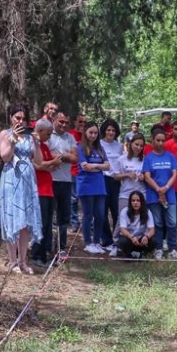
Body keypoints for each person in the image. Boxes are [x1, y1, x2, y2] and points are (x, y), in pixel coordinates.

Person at [0, 104, 43, 274]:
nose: (20, 121)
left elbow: (38, 160)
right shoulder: (5, 134)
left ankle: (23, 261)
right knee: (12, 217)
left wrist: (37, 143)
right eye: (17, 118)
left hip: (28, 178)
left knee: (25, 220)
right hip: (11, 176)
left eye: (23, 118)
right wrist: (13, 140)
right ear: (11, 117)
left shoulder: (30, 136)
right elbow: (5, 157)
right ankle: (12, 260)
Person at [142, 130, 177, 259]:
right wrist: (159, 190)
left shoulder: (171, 156)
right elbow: (147, 177)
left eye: (163, 140)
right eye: (158, 140)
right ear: (152, 140)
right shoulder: (148, 158)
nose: (160, 143)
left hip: (170, 196)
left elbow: (174, 174)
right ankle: (158, 248)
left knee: (172, 222)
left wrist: (166, 188)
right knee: (157, 223)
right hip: (153, 196)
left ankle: (172, 249)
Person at [30, 119, 62, 267]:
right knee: (41, 223)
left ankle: (45, 253)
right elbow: (37, 165)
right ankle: (36, 253)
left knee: (49, 224)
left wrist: (53, 164)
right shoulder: (33, 145)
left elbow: (47, 165)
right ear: (40, 131)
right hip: (39, 189)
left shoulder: (45, 146)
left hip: (49, 189)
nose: (49, 137)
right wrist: (51, 163)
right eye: (48, 134)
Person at [47, 112, 79, 259]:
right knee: (49, 216)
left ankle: (62, 248)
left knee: (64, 217)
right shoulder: (49, 135)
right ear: (54, 120)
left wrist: (60, 155)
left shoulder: (70, 137)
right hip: (50, 180)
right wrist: (65, 155)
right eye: (61, 121)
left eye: (66, 122)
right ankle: (47, 246)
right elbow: (47, 155)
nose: (64, 125)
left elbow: (75, 158)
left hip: (66, 181)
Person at [77, 121, 110, 255]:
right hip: (86, 185)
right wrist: (99, 167)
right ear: (85, 132)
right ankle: (88, 242)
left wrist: (95, 166)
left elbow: (108, 166)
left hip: (100, 186)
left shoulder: (100, 148)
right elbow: (85, 167)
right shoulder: (80, 148)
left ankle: (97, 242)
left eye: (96, 133)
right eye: (91, 132)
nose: (93, 135)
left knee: (100, 215)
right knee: (88, 214)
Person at [99, 119, 123, 253]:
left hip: (116, 180)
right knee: (102, 211)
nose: (111, 132)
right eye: (108, 130)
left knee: (116, 210)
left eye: (113, 130)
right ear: (104, 131)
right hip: (102, 179)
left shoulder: (119, 146)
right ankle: (106, 240)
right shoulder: (99, 144)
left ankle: (117, 239)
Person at [115, 191, 156, 259]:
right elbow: (122, 229)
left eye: (138, 200)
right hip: (130, 239)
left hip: (142, 240)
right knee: (122, 241)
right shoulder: (124, 211)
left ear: (142, 202)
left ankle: (143, 254)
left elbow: (152, 230)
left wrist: (146, 236)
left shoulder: (147, 212)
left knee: (154, 241)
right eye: (133, 200)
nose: (135, 203)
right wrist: (132, 237)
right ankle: (129, 254)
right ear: (130, 202)